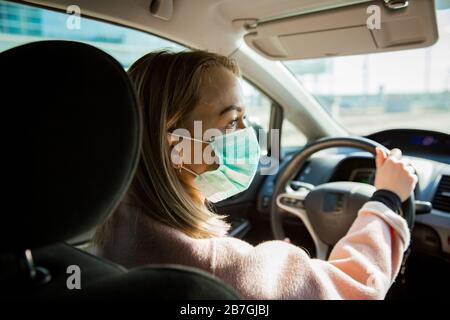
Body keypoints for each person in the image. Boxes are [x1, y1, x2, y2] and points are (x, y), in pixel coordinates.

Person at [92, 50, 417, 299]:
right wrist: (386, 200)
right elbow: (358, 286)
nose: (251, 135)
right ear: (175, 143)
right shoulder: (217, 268)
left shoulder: (104, 225)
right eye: (232, 121)